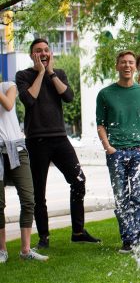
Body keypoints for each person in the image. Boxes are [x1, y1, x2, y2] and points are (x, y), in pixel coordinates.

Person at [15, 38, 100, 248]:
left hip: (60, 139)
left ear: (50, 53)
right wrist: (41, 72)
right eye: (38, 51)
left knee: (79, 181)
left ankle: (78, 231)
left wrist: (51, 72)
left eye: (45, 50)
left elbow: (69, 97)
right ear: (31, 55)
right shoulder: (23, 76)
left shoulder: (59, 73)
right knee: (38, 192)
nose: (42, 54)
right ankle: (44, 237)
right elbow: (29, 99)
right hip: (37, 140)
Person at [96, 51, 140, 253]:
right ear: (117, 66)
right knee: (122, 199)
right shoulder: (105, 94)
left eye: (131, 62)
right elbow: (101, 124)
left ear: (135, 67)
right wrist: (108, 147)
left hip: (139, 152)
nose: (127, 66)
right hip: (116, 153)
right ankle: (128, 241)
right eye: (123, 62)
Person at [0, 81, 48, 262]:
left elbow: (8, 104)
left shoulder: (8, 85)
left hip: (17, 150)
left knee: (29, 199)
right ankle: (2, 250)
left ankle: (25, 250)